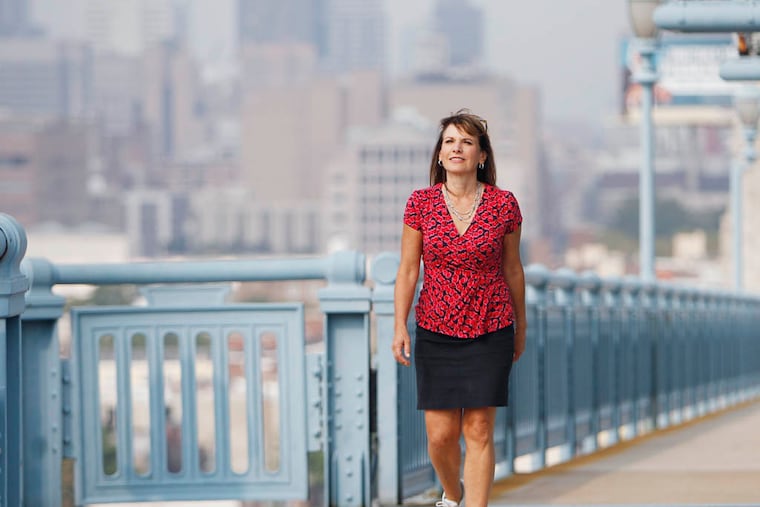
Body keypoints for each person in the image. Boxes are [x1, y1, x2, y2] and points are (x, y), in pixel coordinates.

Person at [391, 109, 526, 507]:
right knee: (440, 435)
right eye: (449, 141)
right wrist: (400, 324)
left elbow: (513, 269)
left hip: (491, 325)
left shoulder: (504, 205)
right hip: (435, 327)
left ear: (481, 154)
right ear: (438, 155)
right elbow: (407, 270)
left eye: (466, 142)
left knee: (480, 429)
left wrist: (521, 327)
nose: (457, 148)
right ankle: (452, 494)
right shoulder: (420, 203)